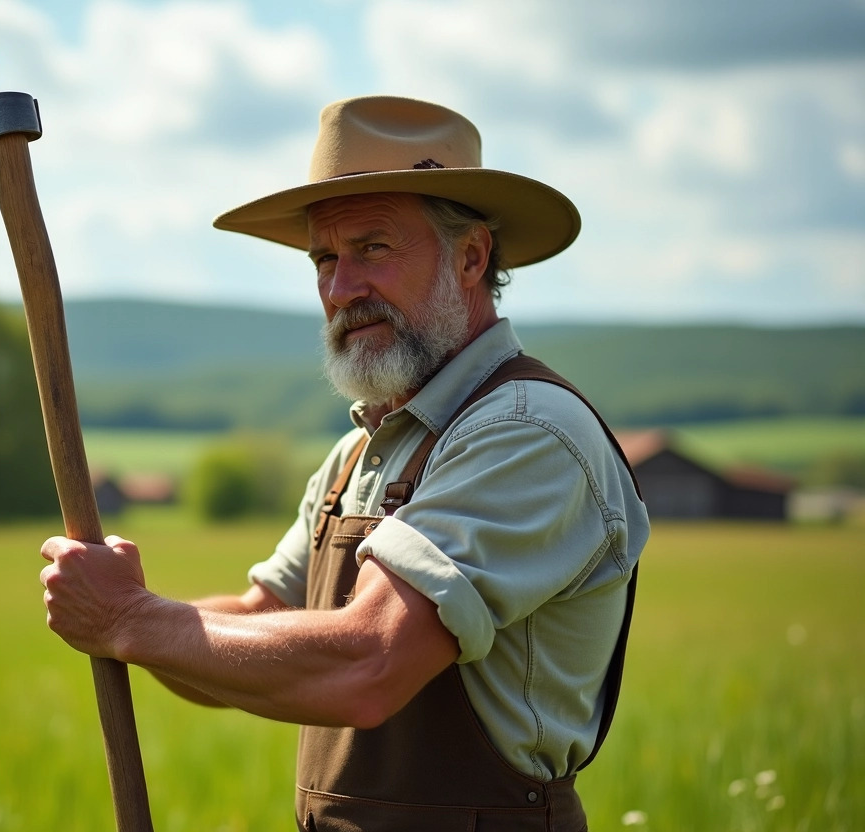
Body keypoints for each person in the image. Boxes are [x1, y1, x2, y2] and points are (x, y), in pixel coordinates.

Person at [39, 95, 649, 831]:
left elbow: (369, 663)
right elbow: (265, 621)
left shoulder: (528, 434)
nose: (340, 289)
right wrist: (123, 612)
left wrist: (131, 619)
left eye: (374, 249)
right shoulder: (358, 453)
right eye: (325, 258)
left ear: (472, 256)